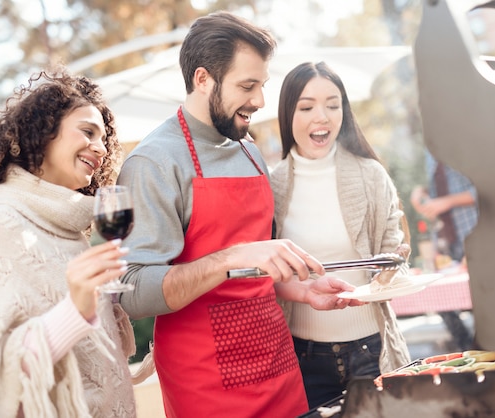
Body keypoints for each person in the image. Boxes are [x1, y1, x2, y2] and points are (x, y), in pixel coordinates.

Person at [117, 12, 360, 418]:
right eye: (247, 86)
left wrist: (301, 291)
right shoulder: (154, 162)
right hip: (205, 381)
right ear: (202, 79)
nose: (260, 101)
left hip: (278, 364)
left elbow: (253, 269)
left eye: (261, 85)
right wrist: (231, 256)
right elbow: (134, 291)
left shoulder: (247, 149)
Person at [0, 69, 137, 417]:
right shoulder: (1, 225)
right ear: (43, 134)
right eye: (88, 132)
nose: (100, 147)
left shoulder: (68, 226)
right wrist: (76, 310)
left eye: (104, 138)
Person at [269, 61, 412, 408]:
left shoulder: (371, 176)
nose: (322, 116)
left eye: (333, 105)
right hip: (303, 359)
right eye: (306, 107)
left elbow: (395, 261)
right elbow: (264, 279)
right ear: (288, 113)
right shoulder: (270, 186)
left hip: (373, 351)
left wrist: (392, 270)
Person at [410, 151, 478, 351]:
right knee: (439, 295)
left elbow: (492, 188)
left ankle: (490, 352)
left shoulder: (470, 140)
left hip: (475, 230)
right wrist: (421, 192)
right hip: (446, 239)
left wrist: (447, 201)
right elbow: (436, 186)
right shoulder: (430, 149)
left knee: (483, 299)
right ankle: (469, 350)